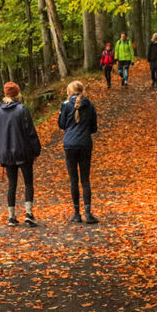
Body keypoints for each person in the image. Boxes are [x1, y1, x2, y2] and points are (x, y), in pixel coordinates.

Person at [0, 82, 42, 227]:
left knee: (11, 184)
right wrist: (36, 150)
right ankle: (29, 214)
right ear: (17, 94)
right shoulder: (22, 110)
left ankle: (11, 217)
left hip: (6, 154)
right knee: (28, 183)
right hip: (23, 152)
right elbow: (30, 132)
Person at [58, 80, 99, 223]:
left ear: (70, 91)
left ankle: (76, 213)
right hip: (85, 144)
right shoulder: (90, 105)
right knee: (85, 179)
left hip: (69, 145)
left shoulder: (65, 105)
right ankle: (88, 213)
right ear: (82, 91)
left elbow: (61, 124)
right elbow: (94, 128)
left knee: (73, 180)